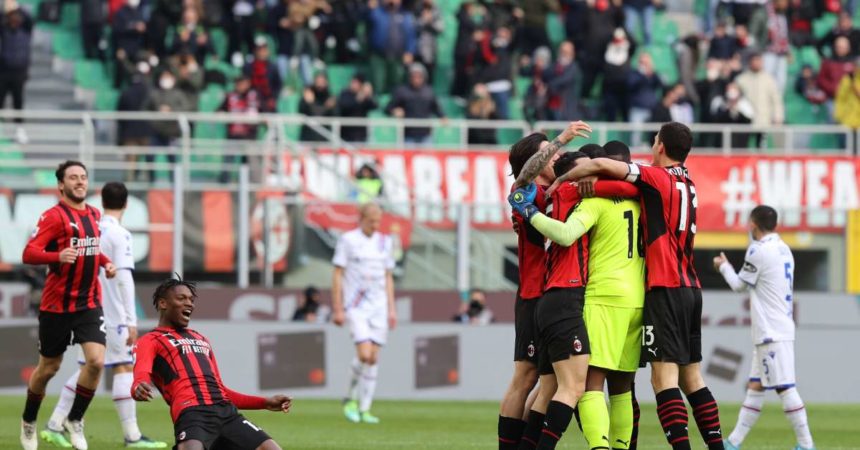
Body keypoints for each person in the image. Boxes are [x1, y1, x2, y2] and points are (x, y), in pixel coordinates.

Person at [551, 122, 726, 450]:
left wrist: (565, 180)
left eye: (655, 140)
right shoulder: (688, 182)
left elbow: (604, 164)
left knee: (663, 380)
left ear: (660, 147)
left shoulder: (656, 177)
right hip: (691, 287)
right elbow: (629, 187)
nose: (652, 145)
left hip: (665, 288)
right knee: (692, 378)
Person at [515, 146, 642, 450]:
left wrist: (528, 209)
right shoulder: (634, 197)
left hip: (589, 296)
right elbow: (565, 233)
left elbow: (563, 231)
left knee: (561, 387)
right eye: (585, 169)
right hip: (610, 297)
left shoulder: (586, 198)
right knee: (588, 386)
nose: (591, 174)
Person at [40, 182, 167, 449]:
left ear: (101, 200)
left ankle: (56, 423)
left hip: (86, 308)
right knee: (121, 367)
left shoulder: (92, 228)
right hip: (111, 311)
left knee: (94, 367)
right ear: (127, 204)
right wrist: (131, 319)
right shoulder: (119, 234)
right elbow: (123, 278)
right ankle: (129, 435)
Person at [505, 122, 593, 450]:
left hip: (554, 295)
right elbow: (526, 175)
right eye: (547, 151)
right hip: (533, 293)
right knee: (525, 379)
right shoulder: (525, 190)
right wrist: (561, 138)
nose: (555, 155)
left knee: (550, 385)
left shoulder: (556, 189)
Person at [20, 161, 118, 450]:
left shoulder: (94, 214)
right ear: (61, 185)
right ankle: (28, 422)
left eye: (83, 177)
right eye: (73, 177)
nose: (80, 182)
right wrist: (56, 257)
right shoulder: (53, 216)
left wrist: (106, 262)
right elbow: (28, 253)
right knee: (48, 368)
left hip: (88, 303)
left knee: (97, 361)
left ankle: (75, 420)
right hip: (56, 306)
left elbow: (92, 250)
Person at [131, 277, 292, 450]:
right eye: (181, 298)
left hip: (226, 413)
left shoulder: (201, 339)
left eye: (191, 300)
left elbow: (220, 390)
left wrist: (265, 402)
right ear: (163, 304)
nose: (189, 304)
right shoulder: (150, 340)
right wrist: (138, 386)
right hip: (192, 413)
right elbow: (141, 373)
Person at [713, 205, 816, 450]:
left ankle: (806, 444)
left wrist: (723, 266)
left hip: (772, 332)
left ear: (752, 224)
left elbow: (740, 285)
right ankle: (733, 442)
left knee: (785, 387)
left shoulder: (759, 250)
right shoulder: (784, 249)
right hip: (773, 329)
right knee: (755, 387)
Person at [332, 203, 397, 424]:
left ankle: (365, 408)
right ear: (361, 218)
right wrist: (338, 307)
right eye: (372, 221)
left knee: (374, 358)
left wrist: (391, 308)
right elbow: (337, 273)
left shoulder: (384, 242)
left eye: (378, 221)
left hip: (379, 306)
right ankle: (349, 398)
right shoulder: (348, 240)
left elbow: (388, 276)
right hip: (356, 305)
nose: (375, 225)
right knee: (364, 355)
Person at [385, 63, 444, 145]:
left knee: (427, 157)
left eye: (419, 76)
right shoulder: (402, 92)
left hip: (426, 135)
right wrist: (394, 111)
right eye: (414, 76)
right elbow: (387, 108)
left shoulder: (429, 92)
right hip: (408, 136)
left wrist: (442, 116)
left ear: (424, 77)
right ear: (409, 77)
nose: (416, 79)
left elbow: (437, 109)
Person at [366, 0, 417, 94]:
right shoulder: (376, 12)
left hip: (398, 57)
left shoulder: (406, 15)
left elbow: (411, 36)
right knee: (377, 85)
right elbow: (363, 21)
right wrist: (369, 9)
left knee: (397, 86)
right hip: (379, 56)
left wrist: (410, 51)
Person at [0, 1, 33, 144]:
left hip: (19, 72)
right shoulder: (4, 29)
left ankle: (19, 130)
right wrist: (6, 9)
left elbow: (30, 19)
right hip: (3, 71)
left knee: (18, 103)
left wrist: (17, 7)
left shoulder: (25, 30)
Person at [736, 52, 784, 147]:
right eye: (755, 61)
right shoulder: (742, 79)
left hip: (763, 121)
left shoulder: (769, 79)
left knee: (761, 147)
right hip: (745, 122)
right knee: (743, 147)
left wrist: (778, 116)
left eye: (759, 61)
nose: (757, 63)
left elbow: (776, 100)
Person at [218, 74, 261, 183]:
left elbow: (264, 111)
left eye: (243, 83)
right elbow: (219, 110)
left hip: (249, 137)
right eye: (238, 83)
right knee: (228, 161)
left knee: (249, 162)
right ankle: (224, 182)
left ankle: (250, 184)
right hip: (233, 135)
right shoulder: (230, 96)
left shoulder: (255, 97)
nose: (240, 86)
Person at [545, 41, 582, 121]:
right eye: (562, 51)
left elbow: (565, 80)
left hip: (568, 109)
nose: (564, 54)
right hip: (552, 106)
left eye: (567, 52)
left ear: (572, 53)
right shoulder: (554, 66)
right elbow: (546, 75)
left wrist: (551, 84)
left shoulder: (574, 68)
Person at [337, 73, 378, 143]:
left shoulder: (365, 96)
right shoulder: (345, 93)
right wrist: (357, 99)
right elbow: (344, 106)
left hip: (361, 135)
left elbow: (375, 106)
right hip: (346, 134)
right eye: (353, 82)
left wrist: (369, 95)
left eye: (357, 83)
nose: (354, 85)